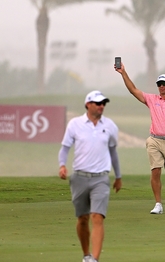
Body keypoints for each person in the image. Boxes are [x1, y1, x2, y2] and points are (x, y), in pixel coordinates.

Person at [115, 59, 165, 214]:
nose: (161, 87)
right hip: (154, 139)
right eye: (159, 84)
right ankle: (158, 204)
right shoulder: (152, 99)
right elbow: (133, 90)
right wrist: (123, 73)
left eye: (164, 84)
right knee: (155, 170)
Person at [59, 90, 122, 262]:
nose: (102, 106)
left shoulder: (109, 126)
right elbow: (65, 148)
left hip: (101, 178)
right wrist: (62, 165)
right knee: (82, 218)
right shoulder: (75, 124)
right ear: (88, 104)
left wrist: (118, 176)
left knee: (97, 216)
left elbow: (113, 152)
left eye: (103, 103)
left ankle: (94, 259)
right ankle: (86, 255)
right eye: (98, 103)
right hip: (79, 177)